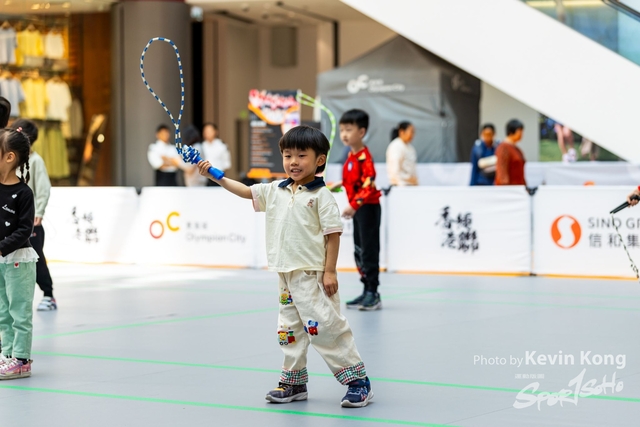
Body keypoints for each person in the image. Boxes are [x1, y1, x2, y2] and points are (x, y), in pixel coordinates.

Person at [197, 125, 373, 408]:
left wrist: (329, 271)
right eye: (288, 155)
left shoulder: (322, 196)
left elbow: (333, 235)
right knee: (289, 331)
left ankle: (358, 382)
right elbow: (246, 191)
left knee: (326, 328)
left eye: (301, 156)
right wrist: (216, 177)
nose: (293, 162)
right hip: (285, 276)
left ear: (319, 160)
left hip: (311, 275)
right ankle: (294, 383)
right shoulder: (275, 190)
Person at [330, 109, 382, 311]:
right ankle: (366, 289)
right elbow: (354, 180)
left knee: (369, 250)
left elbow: (369, 184)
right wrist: (340, 183)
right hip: (359, 209)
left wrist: (354, 204)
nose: (344, 134)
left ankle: (373, 292)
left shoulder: (364, 157)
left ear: (361, 132)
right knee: (359, 250)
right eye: (342, 129)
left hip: (368, 208)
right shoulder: (350, 156)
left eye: (348, 129)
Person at [0, 127, 38, 380]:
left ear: (9, 157)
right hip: (1, 261)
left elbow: (25, 230)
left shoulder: (24, 193)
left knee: (19, 311)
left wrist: (2, 247)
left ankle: (21, 360)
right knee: (3, 310)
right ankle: (7, 355)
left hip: (18, 261)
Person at [9, 119, 54, 311]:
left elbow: (43, 188)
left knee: (35, 259)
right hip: (10, 222)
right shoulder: (9, 161)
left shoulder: (35, 161)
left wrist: (40, 211)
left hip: (30, 222)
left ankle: (48, 295)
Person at [495, 119, 526, 186]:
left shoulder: (516, 148)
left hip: (519, 187)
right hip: (510, 189)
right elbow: (502, 172)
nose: (521, 134)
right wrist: (506, 189)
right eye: (519, 131)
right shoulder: (504, 148)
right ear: (511, 132)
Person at [386, 121, 418, 186]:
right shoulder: (395, 146)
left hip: (411, 186)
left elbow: (413, 170)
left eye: (413, 132)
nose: (413, 134)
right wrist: (401, 186)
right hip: (400, 185)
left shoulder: (410, 148)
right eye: (411, 132)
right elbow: (394, 170)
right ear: (402, 132)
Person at [199, 123, 231, 187]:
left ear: (215, 132)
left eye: (209, 131)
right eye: (205, 131)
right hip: (205, 177)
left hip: (219, 175)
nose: (207, 133)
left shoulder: (222, 146)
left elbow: (226, 163)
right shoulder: (201, 146)